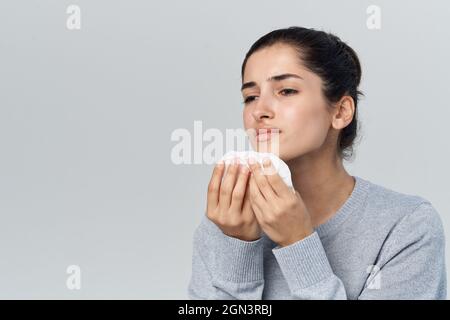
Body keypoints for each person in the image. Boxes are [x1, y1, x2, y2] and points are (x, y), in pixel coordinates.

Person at [187, 26, 446, 299]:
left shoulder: (407, 227)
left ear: (341, 111)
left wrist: (298, 243)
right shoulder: (229, 220)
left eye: (285, 91)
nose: (259, 111)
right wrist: (237, 248)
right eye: (250, 97)